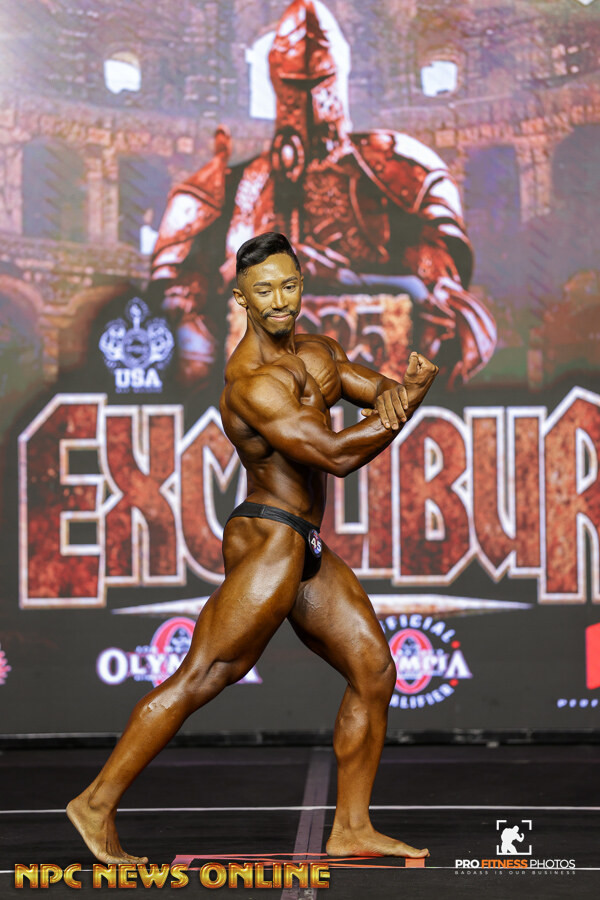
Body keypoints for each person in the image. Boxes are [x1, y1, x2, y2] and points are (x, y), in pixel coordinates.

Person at [67, 231, 439, 864]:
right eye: (264, 290)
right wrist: (408, 400)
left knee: (374, 670)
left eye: (288, 285)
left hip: (306, 541)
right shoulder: (250, 384)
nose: (279, 300)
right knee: (206, 673)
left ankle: (351, 826)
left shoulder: (318, 351)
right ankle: (95, 803)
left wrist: (403, 390)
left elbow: (379, 393)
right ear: (241, 298)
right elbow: (335, 454)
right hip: (268, 534)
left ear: (302, 284)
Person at [150, 0, 495, 390]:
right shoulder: (234, 184)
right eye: (295, 85)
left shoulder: (399, 169)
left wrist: (348, 276)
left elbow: (445, 299)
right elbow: (177, 301)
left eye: (318, 82)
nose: (309, 101)